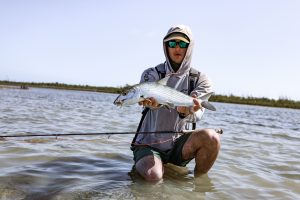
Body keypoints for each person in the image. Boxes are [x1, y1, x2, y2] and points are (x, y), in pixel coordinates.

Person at [131, 25, 220, 181]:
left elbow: (197, 115)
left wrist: (187, 112)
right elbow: (146, 100)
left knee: (212, 137)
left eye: (182, 44)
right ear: (166, 46)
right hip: (147, 144)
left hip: (178, 144)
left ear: (189, 47)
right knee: (154, 176)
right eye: (172, 43)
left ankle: (198, 183)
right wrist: (152, 105)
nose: (177, 48)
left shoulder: (200, 79)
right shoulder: (151, 74)